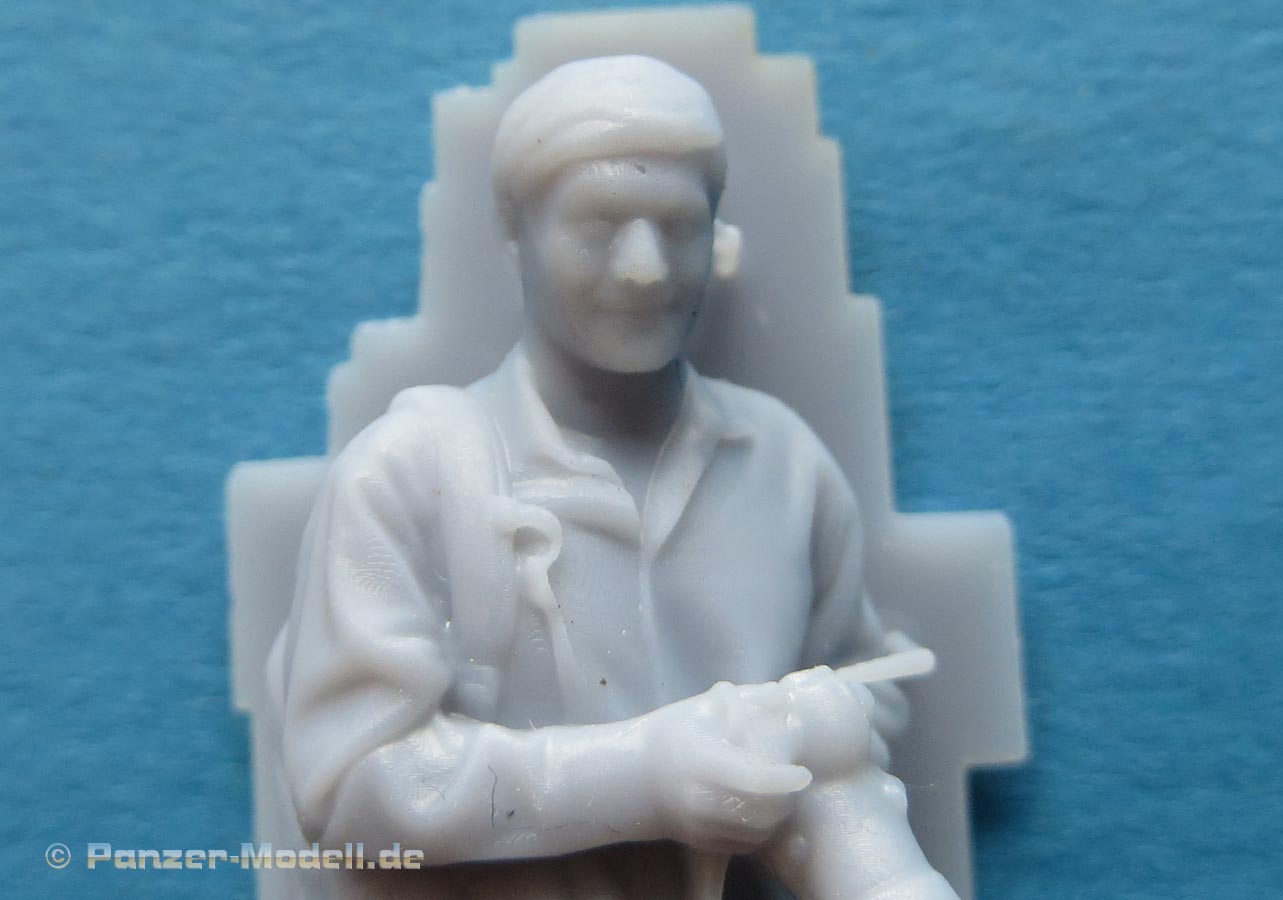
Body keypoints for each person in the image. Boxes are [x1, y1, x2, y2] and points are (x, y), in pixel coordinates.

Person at [268, 55, 957, 900]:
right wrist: (643, 776)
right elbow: (350, 788)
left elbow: (863, 686)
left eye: (680, 226)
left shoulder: (783, 464)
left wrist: (813, 739)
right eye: (598, 226)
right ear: (517, 234)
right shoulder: (407, 477)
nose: (645, 268)